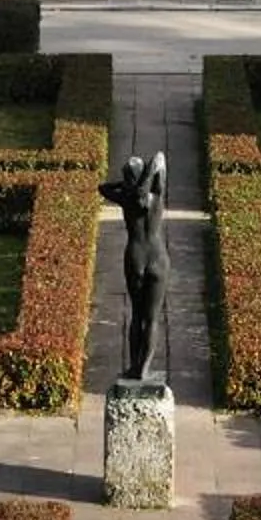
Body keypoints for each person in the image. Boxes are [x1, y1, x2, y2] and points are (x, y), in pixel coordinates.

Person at [100, 151, 168, 383]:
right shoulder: (156, 198)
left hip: (135, 257)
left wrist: (127, 186)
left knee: (137, 315)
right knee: (152, 319)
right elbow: (161, 171)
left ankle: (133, 367)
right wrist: (149, 172)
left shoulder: (127, 199)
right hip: (158, 258)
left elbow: (103, 188)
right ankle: (144, 368)